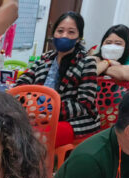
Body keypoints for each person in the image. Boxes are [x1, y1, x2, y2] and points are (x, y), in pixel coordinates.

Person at [15, 12, 100, 147]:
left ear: (79, 37)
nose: (64, 36)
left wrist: (47, 113)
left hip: (74, 120)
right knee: (8, 130)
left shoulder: (86, 62)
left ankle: (39, 168)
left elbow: (85, 105)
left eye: (71, 32)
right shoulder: (46, 58)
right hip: (36, 116)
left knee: (36, 139)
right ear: (53, 33)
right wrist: (31, 107)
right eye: (60, 31)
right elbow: (21, 84)